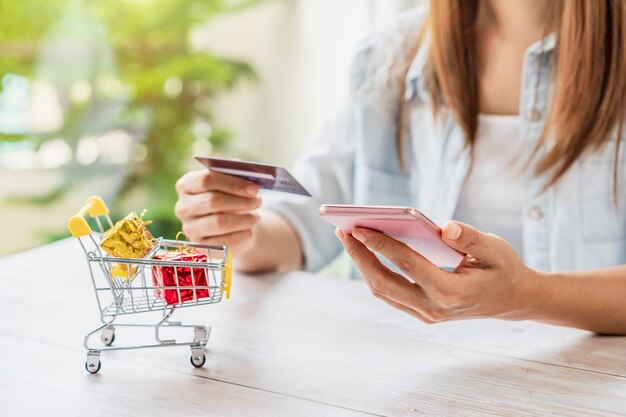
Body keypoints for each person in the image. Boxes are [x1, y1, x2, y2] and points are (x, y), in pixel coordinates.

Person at [175, 0, 626, 334]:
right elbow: (298, 227)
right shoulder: (387, 54)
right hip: (414, 375)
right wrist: (236, 228)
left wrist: (523, 296)